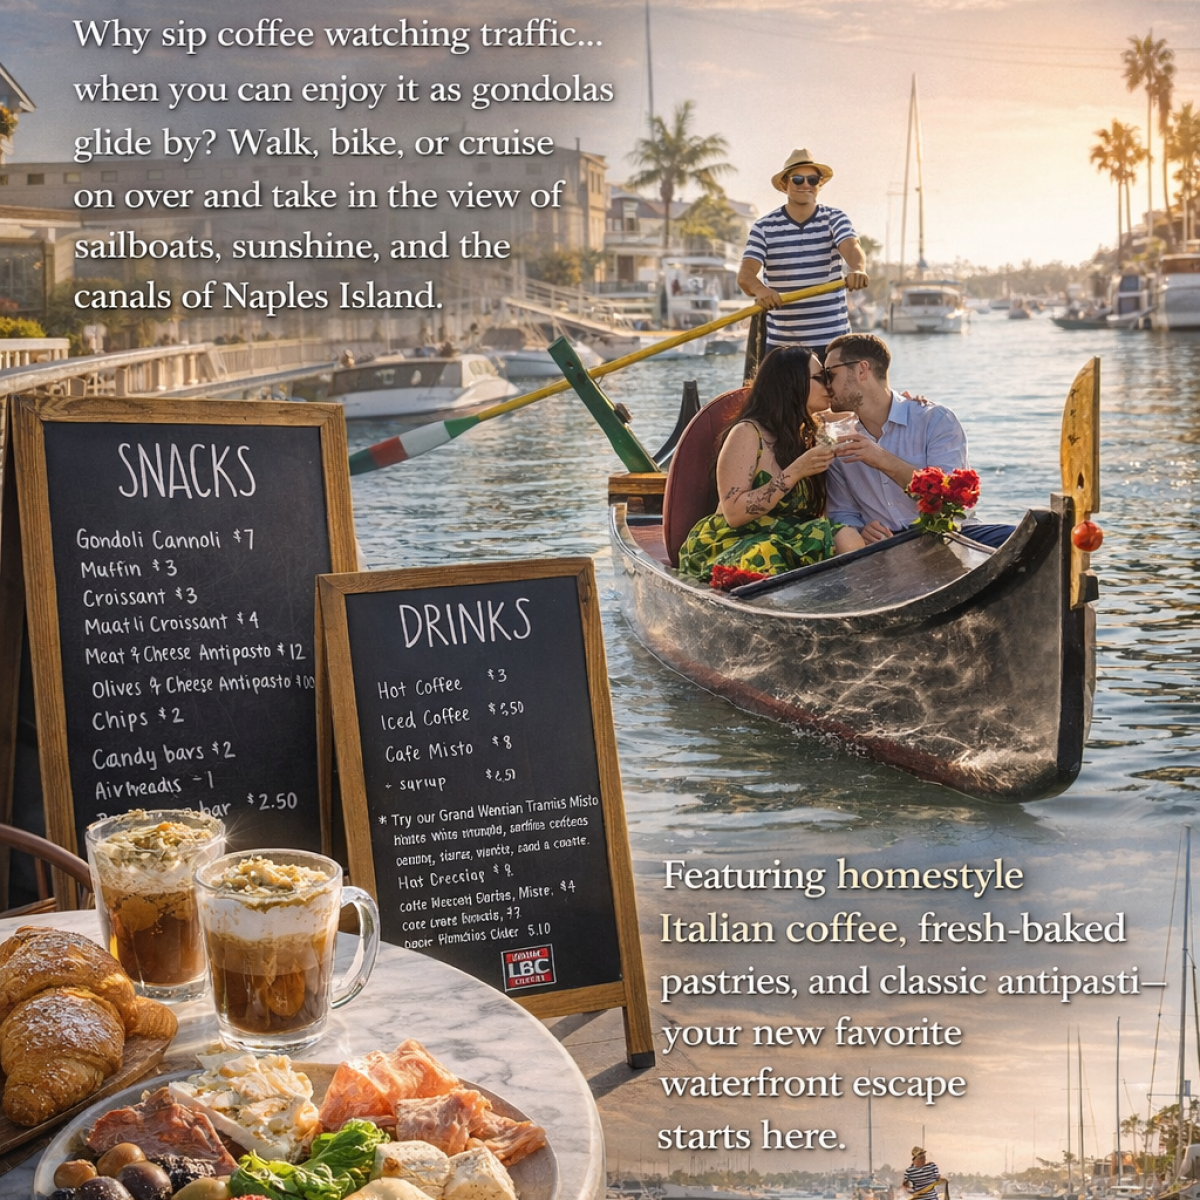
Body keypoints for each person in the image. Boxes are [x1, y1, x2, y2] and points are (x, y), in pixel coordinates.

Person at [678, 346, 865, 583]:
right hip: (738, 538)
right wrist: (796, 471)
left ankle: (855, 604)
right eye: (820, 378)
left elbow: (868, 413)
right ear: (791, 383)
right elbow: (734, 514)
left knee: (847, 537)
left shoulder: (816, 431)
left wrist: (905, 402)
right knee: (765, 554)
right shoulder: (747, 433)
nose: (829, 385)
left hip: (792, 536)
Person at [819, 333, 1014, 549]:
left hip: (952, 535)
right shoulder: (837, 439)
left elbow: (950, 502)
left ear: (862, 370)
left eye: (830, 374)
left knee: (1028, 534)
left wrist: (882, 459)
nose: (826, 384)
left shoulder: (935, 420)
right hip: (888, 546)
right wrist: (860, 530)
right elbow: (842, 514)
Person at [737, 148, 871, 362]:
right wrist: (760, 289)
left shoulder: (835, 218)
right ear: (784, 185)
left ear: (819, 185)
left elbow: (852, 248)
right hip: (782, 347)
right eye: (798, 179)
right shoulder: (764, 227)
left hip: (833, 344)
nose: (806, 185)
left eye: (813, 179)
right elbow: (745, 275)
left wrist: (857, 269)